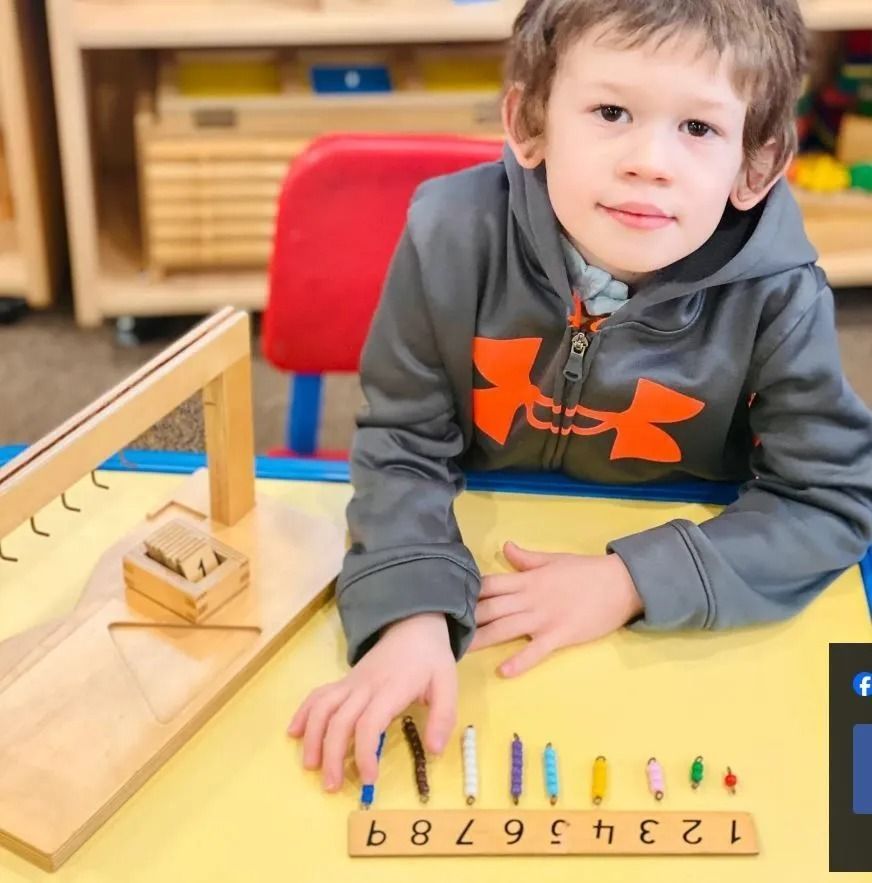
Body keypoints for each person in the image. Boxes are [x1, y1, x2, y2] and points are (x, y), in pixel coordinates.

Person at [288, 0, 872, 793]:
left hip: (678, 606)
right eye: (610, 111)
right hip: (488, 565)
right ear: (529, 122)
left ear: (756, 166)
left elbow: (832, 499)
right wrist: (409, 610)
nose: (648, 161)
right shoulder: (447, 237)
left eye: (697, 129)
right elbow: (401, 440)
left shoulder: (780, 295)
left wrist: (629, 580)